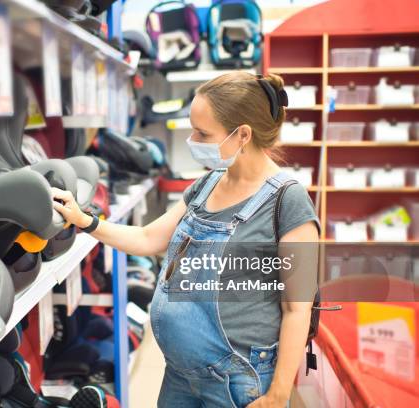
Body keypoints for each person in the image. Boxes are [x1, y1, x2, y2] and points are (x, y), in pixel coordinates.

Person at [52, 72, 320, 408]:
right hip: (180, 376)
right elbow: (149, 238)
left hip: (235, 384)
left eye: (203, 133)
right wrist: (86, 221)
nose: (193, 139)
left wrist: (278, 395)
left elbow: (296, 308)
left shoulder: (287, 201)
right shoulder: (207, 184)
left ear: (243, 135)